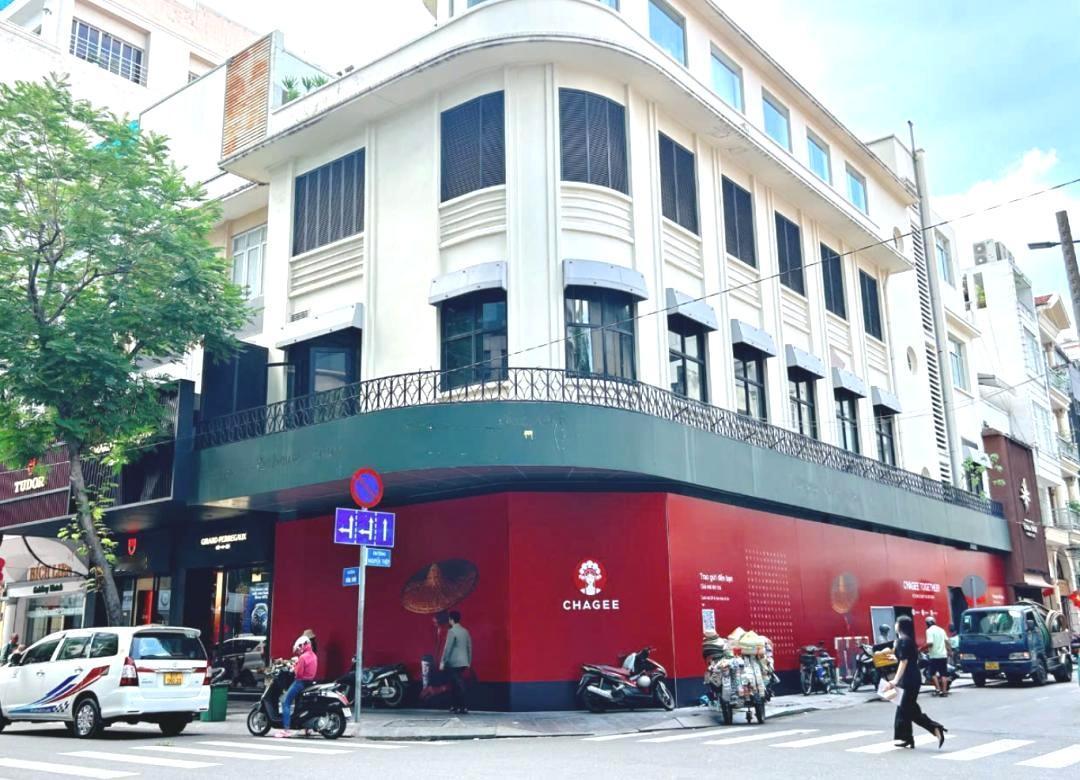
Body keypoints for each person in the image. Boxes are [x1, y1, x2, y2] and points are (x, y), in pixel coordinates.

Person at [884, 615, 946, 749]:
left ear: (900, 626)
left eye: (896, 623)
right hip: (912, 678)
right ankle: (909, 738)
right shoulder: (908, 641)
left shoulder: (903, 641)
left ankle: (934, 729)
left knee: (907, 709)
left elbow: (904, 661)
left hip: (908, 679)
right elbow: (907, 658)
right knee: (907, 709)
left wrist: (894, 680)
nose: (895, 625)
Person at [278, 635, 318, 738]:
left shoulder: (303, 657)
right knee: (302, 704)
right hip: (310, 682)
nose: (299, 650)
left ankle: (286, 730)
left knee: (285, 702)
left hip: (300, 682)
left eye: (299, 648)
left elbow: (299, 674)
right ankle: (307, 729)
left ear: (303, 645)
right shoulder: (314, 656)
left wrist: (294, 667)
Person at [440, 610, 472, 714]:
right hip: (464, 662)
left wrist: (442, 661)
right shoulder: (465, 631)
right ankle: (455, 706)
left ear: (451, 619)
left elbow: (447, 648)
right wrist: (469, 661)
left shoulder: (452, 631)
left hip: (454, 662)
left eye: (449, 619)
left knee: (457, 685)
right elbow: (469, 647)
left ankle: (461, 706)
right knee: (455, 684)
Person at [921, 616, 951, 697]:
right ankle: (944, 691)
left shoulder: (929, 631)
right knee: (943, 674)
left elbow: (930, 643)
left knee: (932, 673)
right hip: (943, 655)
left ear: (927, 624)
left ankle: (938, 689)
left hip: (934, 656)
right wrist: (950, 651)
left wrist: (921, 649)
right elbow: (947, 642)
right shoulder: (941, 630)